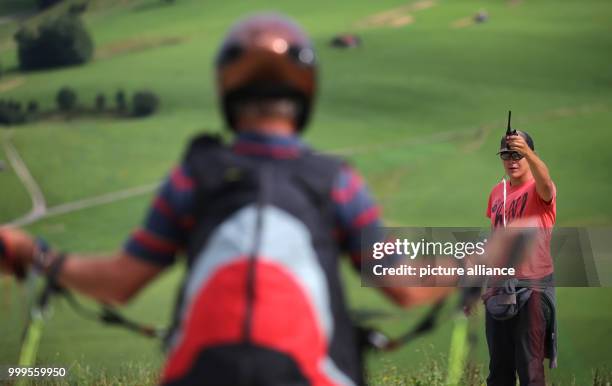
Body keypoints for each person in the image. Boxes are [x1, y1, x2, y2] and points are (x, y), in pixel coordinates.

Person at [0, 13, 450, 386]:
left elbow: (120, 281)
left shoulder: (193, 178)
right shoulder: (337, 183)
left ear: (227, 94)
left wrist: (34, 253)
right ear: (305, 93)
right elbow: (404, 287)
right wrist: (491, 256)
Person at [483, 130, 558, 386]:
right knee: (499, 370)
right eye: (506, 155)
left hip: (533, 288)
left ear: (529, 155)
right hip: (499, 288)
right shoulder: (497, 192)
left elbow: (547, 185)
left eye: (518, 154)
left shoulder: (540, 190)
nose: (512, 160)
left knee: (530, 370)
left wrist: (529, 152)